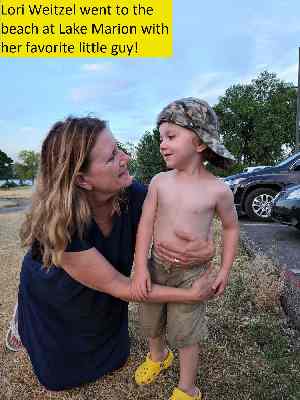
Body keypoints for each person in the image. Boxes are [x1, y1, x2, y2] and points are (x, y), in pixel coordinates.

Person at [12, 116, 216, 391]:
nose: (127, 158)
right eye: (112, 157)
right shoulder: (62, 227)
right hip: (55, 293)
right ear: (82, 180)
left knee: (116, 358)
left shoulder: (131, 193)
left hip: (103, 287)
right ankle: (22, 319)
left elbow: (185, 215)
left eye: (119, 148)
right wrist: (191, 295)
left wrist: (205, 245)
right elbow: (122, 287)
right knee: (57, 380)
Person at [132, 98, 240, 400]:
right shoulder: (159, 182)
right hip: (155, 266)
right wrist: (141, 266)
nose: (162, 145)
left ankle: (188, 388)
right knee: (151, 320)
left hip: (192, 275)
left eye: (171, 136)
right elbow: (144, 225)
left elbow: (231, 228)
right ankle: (158, 357)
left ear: (200, 143)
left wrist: (224, 269)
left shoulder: (218, 189)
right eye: (161, 137)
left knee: (186, 333)